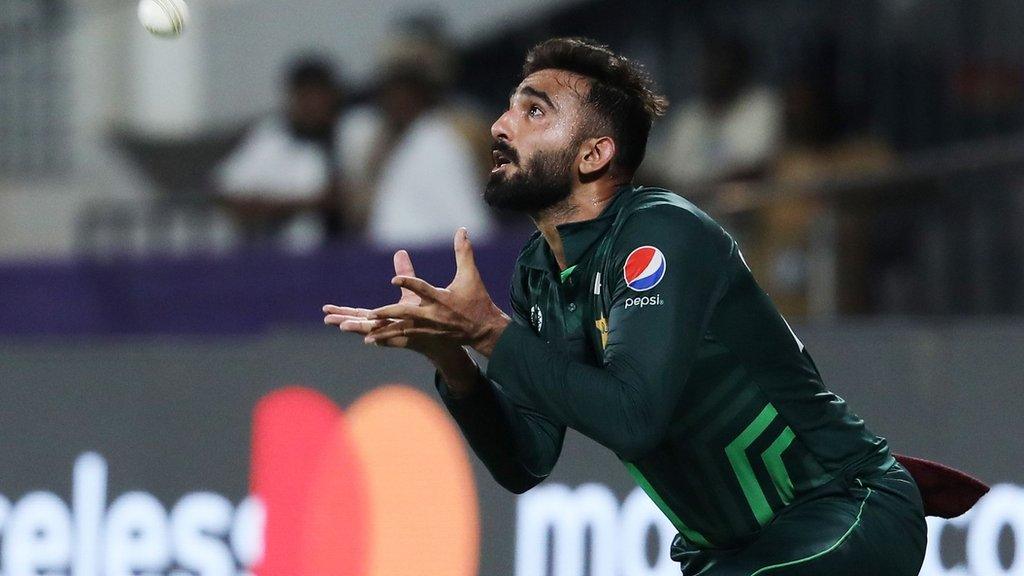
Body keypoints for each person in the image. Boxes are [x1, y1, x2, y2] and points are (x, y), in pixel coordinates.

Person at [323, 38, 983, 574]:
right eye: (508, 108)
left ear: (594, 153)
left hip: (842, 513)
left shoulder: (662, 233)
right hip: (731, 555)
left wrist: (490, 331)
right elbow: (524, 461)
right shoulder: (541, 275)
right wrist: (455, 360)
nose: (500, 125)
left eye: (534, 111)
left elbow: (633, 417)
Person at [215, 57, 348, 250]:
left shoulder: (351, 133)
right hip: (279, 254)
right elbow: (228, 193)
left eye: (319, 96)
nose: (313, 105)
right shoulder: (271, 137)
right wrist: (301, 205)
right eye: (305, 96)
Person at [646, 35, 782, 189]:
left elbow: (754, 167)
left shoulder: (760, 105)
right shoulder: (688, 115)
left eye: (723, 64)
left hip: (740, 204)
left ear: (740, 70)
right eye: (710, 65)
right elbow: (668, 171)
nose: (715, 72)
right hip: (687, 202)